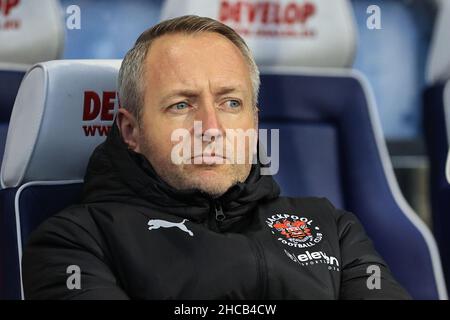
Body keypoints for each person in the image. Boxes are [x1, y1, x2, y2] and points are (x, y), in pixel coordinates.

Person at [22, 15, 410, 299]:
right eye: (180, 105)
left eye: (230, 102)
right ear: (131, 131)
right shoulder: (75, 242)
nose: (210, 127)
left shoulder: (332, 227)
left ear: (254, 123)